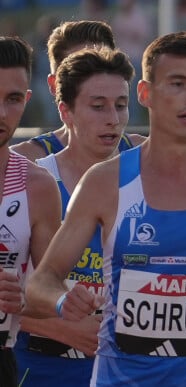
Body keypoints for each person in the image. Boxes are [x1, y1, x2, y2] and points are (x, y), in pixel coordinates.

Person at [24, 28, 186, 386]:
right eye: (177, 83)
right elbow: (42, 282)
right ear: (145, 93)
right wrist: (63, 303)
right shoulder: (105, 181)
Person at [14, 46, 135, 387]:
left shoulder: (151, 183)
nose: (113, 118)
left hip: (127, 369)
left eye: (121, 105)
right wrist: (59, 324)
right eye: (98, 106)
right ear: (65, 111)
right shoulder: (34, 182)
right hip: (40, 368)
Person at [0, 35, 61, 387]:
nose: (1, 113)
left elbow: (47, 290)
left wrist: (27, 297)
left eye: (12, 99)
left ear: (26, 100)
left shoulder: (38, 186)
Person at [10, 20, 146, 162]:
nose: (94, 77)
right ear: (54, 84)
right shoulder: (24, 161)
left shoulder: (144, 155)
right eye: (78, 69)